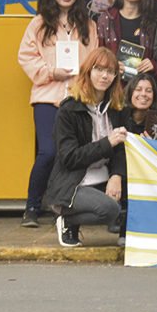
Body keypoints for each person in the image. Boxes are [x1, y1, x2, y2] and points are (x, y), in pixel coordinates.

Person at [18, 0, 98, 228]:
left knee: (70, 155)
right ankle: (32, 207)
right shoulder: (39, 23)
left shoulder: (88, 25)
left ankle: (60, 206)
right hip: (47, 97)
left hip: (77, 99)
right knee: (48, 152)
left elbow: (94, 59)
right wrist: (51, 72)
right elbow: (26, 56)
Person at [43, 48, 129, 248]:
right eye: (99, 69)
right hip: (73, 182)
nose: (104, 76)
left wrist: (116, 176)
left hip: (103, 177)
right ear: (88, 71)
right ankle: (66, 219)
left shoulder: (117, 108)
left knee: (134, 196)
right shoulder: (69, 109)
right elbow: (69, 158)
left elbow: (121, 149)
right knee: (110, 209)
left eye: (110, 71)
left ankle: (127, 237)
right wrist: (107, 142)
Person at [96, 0, 157, 79]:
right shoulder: (106, 19)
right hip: (112, 82)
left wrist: (153, 64)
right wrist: (111, 64)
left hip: (142, 84)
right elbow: (98, 54)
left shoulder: (153, 21)